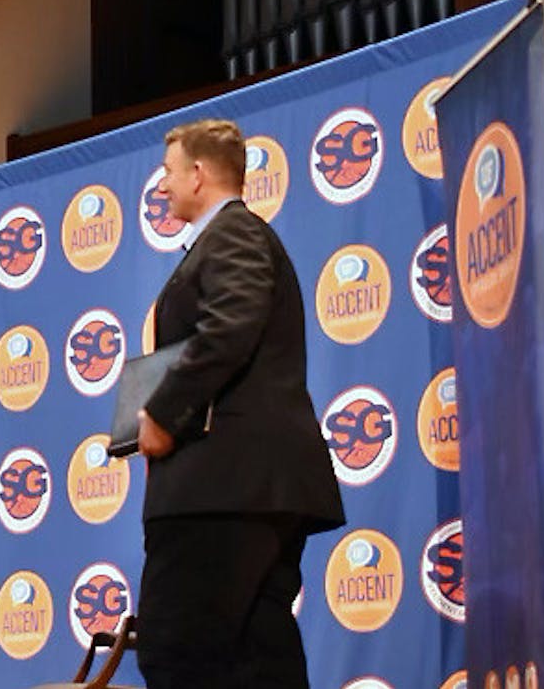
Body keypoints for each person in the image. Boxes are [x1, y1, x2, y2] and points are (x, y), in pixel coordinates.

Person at [134, 119, 344, 688]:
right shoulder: (233, 238)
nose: (161, 186)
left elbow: (229, 327)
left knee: (177, 648)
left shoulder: (231, 234)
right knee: (258, 658)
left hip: (223, 491)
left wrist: (162, 412)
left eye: (169, 172)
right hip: (248, 490)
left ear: (199, 175)